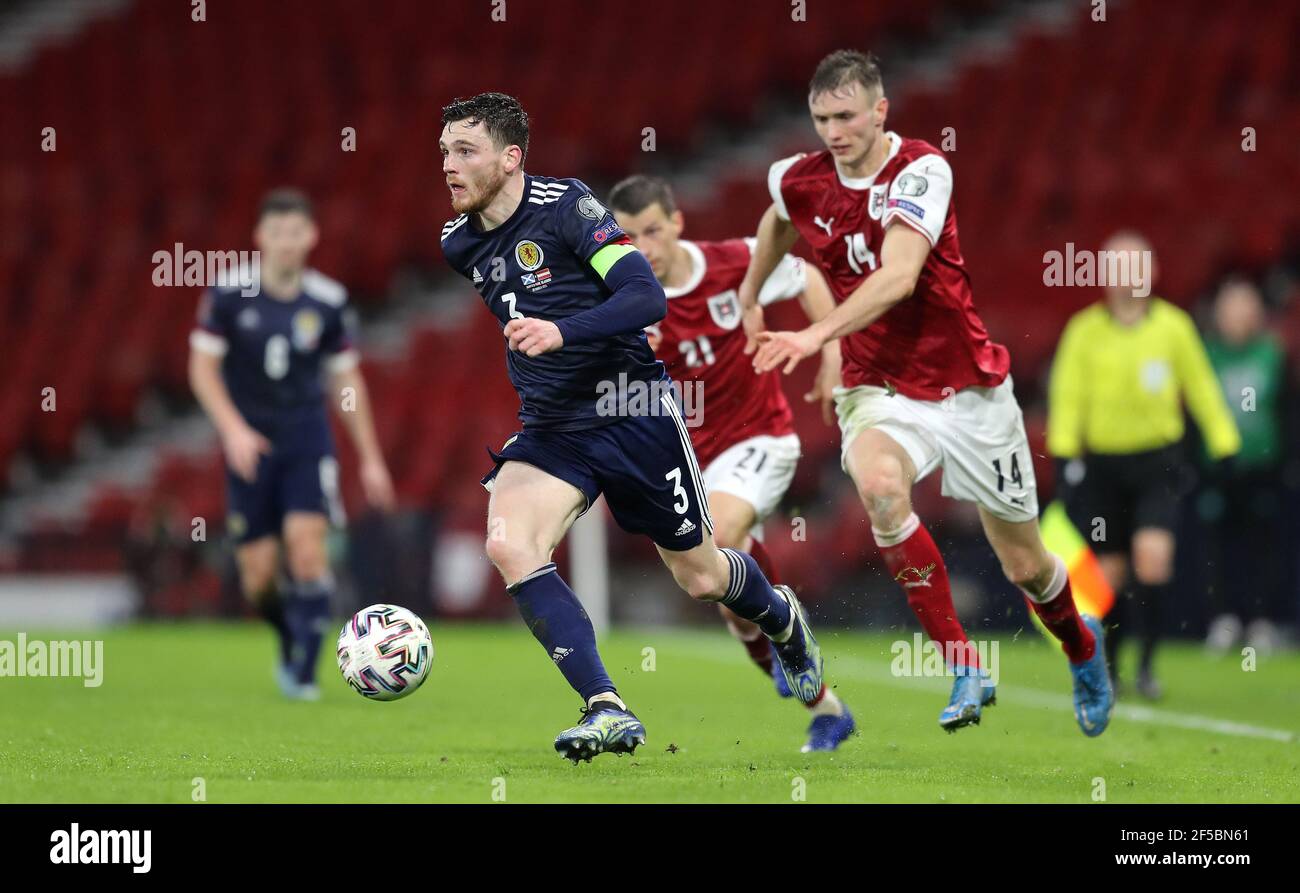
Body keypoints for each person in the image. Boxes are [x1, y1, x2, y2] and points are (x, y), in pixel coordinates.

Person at [437, 93, 825, 761]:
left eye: (464, 150)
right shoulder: (459, 241)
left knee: (701, 577)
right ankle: (606, 704)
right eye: (444, 151)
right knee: (508, 542)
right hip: (554, 425)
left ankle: (782, 616)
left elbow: (644, 295)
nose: (448, 164)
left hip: (632, 408)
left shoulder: (568, 207)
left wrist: (562, 330)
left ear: (510, 158)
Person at [747, 50, 1112, 736]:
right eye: (821, 118)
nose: (833, 130)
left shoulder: (921, 169)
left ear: (880, 110)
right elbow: (779, 217)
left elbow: (899, 277)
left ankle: (1082, 646)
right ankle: (964, 662)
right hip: (878, 387)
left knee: (1026, 565)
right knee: (881, 489)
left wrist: (812, 333)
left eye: (847, 116)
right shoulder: (799, 177)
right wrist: (748, 298)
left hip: (966, 388)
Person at [608, 174, 855, 752]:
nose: (643, 248)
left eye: (652, 232)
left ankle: (783, 622)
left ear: (676, 225)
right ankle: (828, 710)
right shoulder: (622, 300)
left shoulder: (735, 263)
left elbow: (808, 275)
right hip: (688, 463)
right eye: (626, 238)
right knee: (721, 592)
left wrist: (831, 352)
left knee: (714, 543)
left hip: (758, 440)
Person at [189, 189, 395, 700]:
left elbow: (346, 383)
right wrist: (233, 429)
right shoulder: (228, 295)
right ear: (260, 237)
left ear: (311, 237)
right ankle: (288, 638)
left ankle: (305, 671)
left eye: (295, 232)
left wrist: (369, 458)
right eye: (276, 232)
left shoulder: (328, 301)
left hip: (307, 439)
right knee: (258, 578)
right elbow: (201, 369)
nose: (286, 242)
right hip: (249, 445)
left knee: (307, 550)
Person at [1047, 231, 1241, 699]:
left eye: (1135, 264)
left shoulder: (1173, 327)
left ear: (1151, 272)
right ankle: (1112, 667)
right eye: (1115, 264)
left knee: (1152, 561)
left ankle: (1149, 667)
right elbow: (1068, 397)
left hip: (1159, 463)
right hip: (1103, 467)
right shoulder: (1083, 331)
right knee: (1110, 574)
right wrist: (1065, 453)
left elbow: (1201, 387)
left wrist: (1224, 440)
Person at [1201, 277, 1287, 656]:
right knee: (1220, 549)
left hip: (1264, 468)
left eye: (1244, 306)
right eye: (1230, 307)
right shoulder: (1206, 355)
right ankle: (1225, 618)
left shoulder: (1272, 354)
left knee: (1264, 548)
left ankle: (1262, 620)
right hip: (1218, 469)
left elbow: (1287, 409)